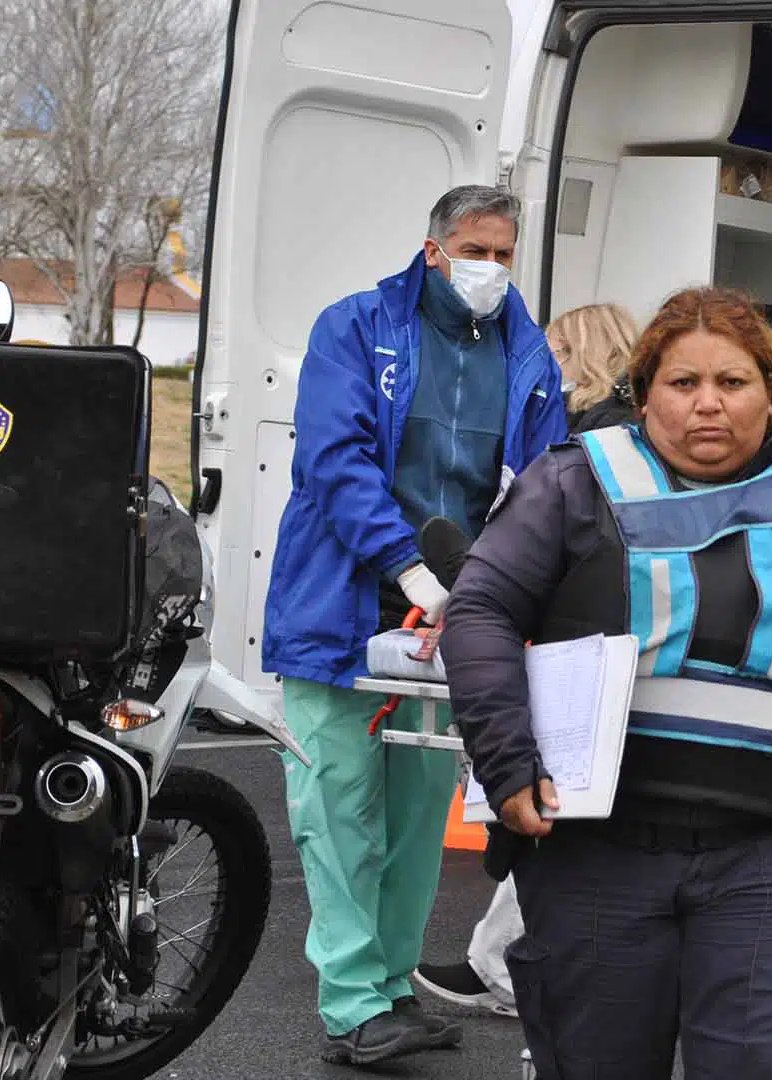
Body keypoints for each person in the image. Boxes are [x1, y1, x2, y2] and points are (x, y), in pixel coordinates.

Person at [440, 285, 772, 1077]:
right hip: (596, 853)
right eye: (683, 384)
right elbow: (481, 611)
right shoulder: (570, 485)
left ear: (771, 395)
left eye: (733, 383)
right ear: (643, 395)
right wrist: (506, 763)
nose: (708, 405)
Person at [261, 184, 568, 1067]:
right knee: (338, 814)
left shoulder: (528, 352)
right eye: (477, 250)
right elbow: (333, 459)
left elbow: (545, 478)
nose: (492, 269)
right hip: (344, 609)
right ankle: (353, 1003)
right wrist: (408, 567)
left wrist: (497, 589)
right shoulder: (356, 328)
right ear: (435, 249)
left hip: (454, 617)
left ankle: (391, 987)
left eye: (506, 254)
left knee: (416, 811)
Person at [548, 301, 641, 433]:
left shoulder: (615, 416)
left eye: (558, 351)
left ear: (587, 352)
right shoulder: (585, 400)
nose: (553, 361)